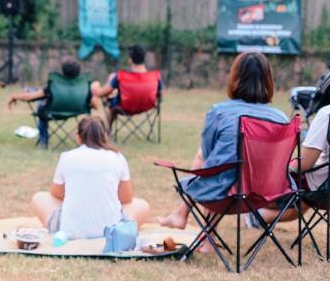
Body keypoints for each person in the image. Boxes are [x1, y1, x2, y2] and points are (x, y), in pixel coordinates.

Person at [159, 52, 294, 230]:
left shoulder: (220, 112)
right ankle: (198, 232)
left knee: (209, 159)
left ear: (235, 78)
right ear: (268, 80)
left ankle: (184, 216)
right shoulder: (281, 119)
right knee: (229, 164)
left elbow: (208, 155)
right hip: (267, 195)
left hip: (221, 196)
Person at [30, 116, 150, 238]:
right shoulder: (117, 157)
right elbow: (126, 198)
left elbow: (56, 194)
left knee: (39, 198)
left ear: (78, 137)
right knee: (142, 205)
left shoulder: (67, 157)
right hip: (113, 231)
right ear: (105, 136)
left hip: (69, 231)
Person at [7, 57, 91, 148]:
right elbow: (93, 103)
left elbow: (31, 96)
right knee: (43, 108)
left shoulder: (56, 84)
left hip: (52, 112)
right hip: (77, 111)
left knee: (41, 107)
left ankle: (43, 140)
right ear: (78, 71)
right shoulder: (83, 85)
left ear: (63, 71)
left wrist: (14, 96)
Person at [91, 44, 162, 126]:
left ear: (130, 60)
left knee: (109, 102)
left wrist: (95, 86)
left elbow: (101, 93)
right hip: (148, 107)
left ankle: (107, 131)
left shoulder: (121, 76)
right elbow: (159, 95)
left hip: (123, 108)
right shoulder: (156, 77)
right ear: (143, 58)